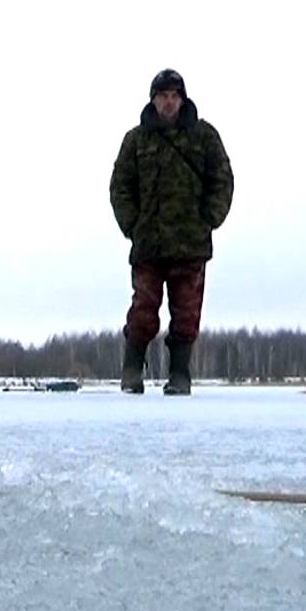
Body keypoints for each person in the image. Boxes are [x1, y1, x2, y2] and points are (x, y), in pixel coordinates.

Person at [108, 68, 234, 394]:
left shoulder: (204, 136)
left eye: (174, 96)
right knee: (142, 312)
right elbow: (120, 186)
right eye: (162, 96)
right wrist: (132, 225)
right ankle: (132, 370)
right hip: (149, 243)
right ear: (153, 100)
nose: (168, 103)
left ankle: (180, 375)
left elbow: (222, 180)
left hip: (190, 244)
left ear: (182, 99)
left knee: (187, 316)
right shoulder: (135, 140)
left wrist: (209, 218)